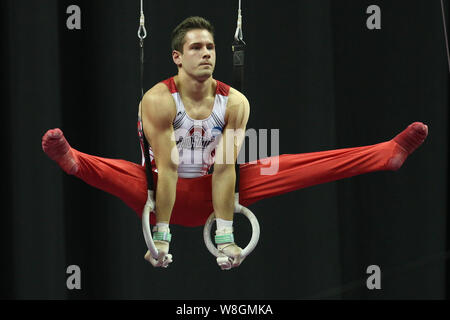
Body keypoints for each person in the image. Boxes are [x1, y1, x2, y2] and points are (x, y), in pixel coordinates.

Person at [42, 16, 429, 270]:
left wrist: (226, 236)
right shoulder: (158, 100)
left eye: (210, 47)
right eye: (196, 48)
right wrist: (160, 236)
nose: (207, 53)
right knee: (123, 172)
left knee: (289, 164)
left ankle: (385, 154)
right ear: (177, 57)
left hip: (217, 191)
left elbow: (225, 167)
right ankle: (75, 161)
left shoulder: (236, 103)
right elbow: (170, 166)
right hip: (157, 190)